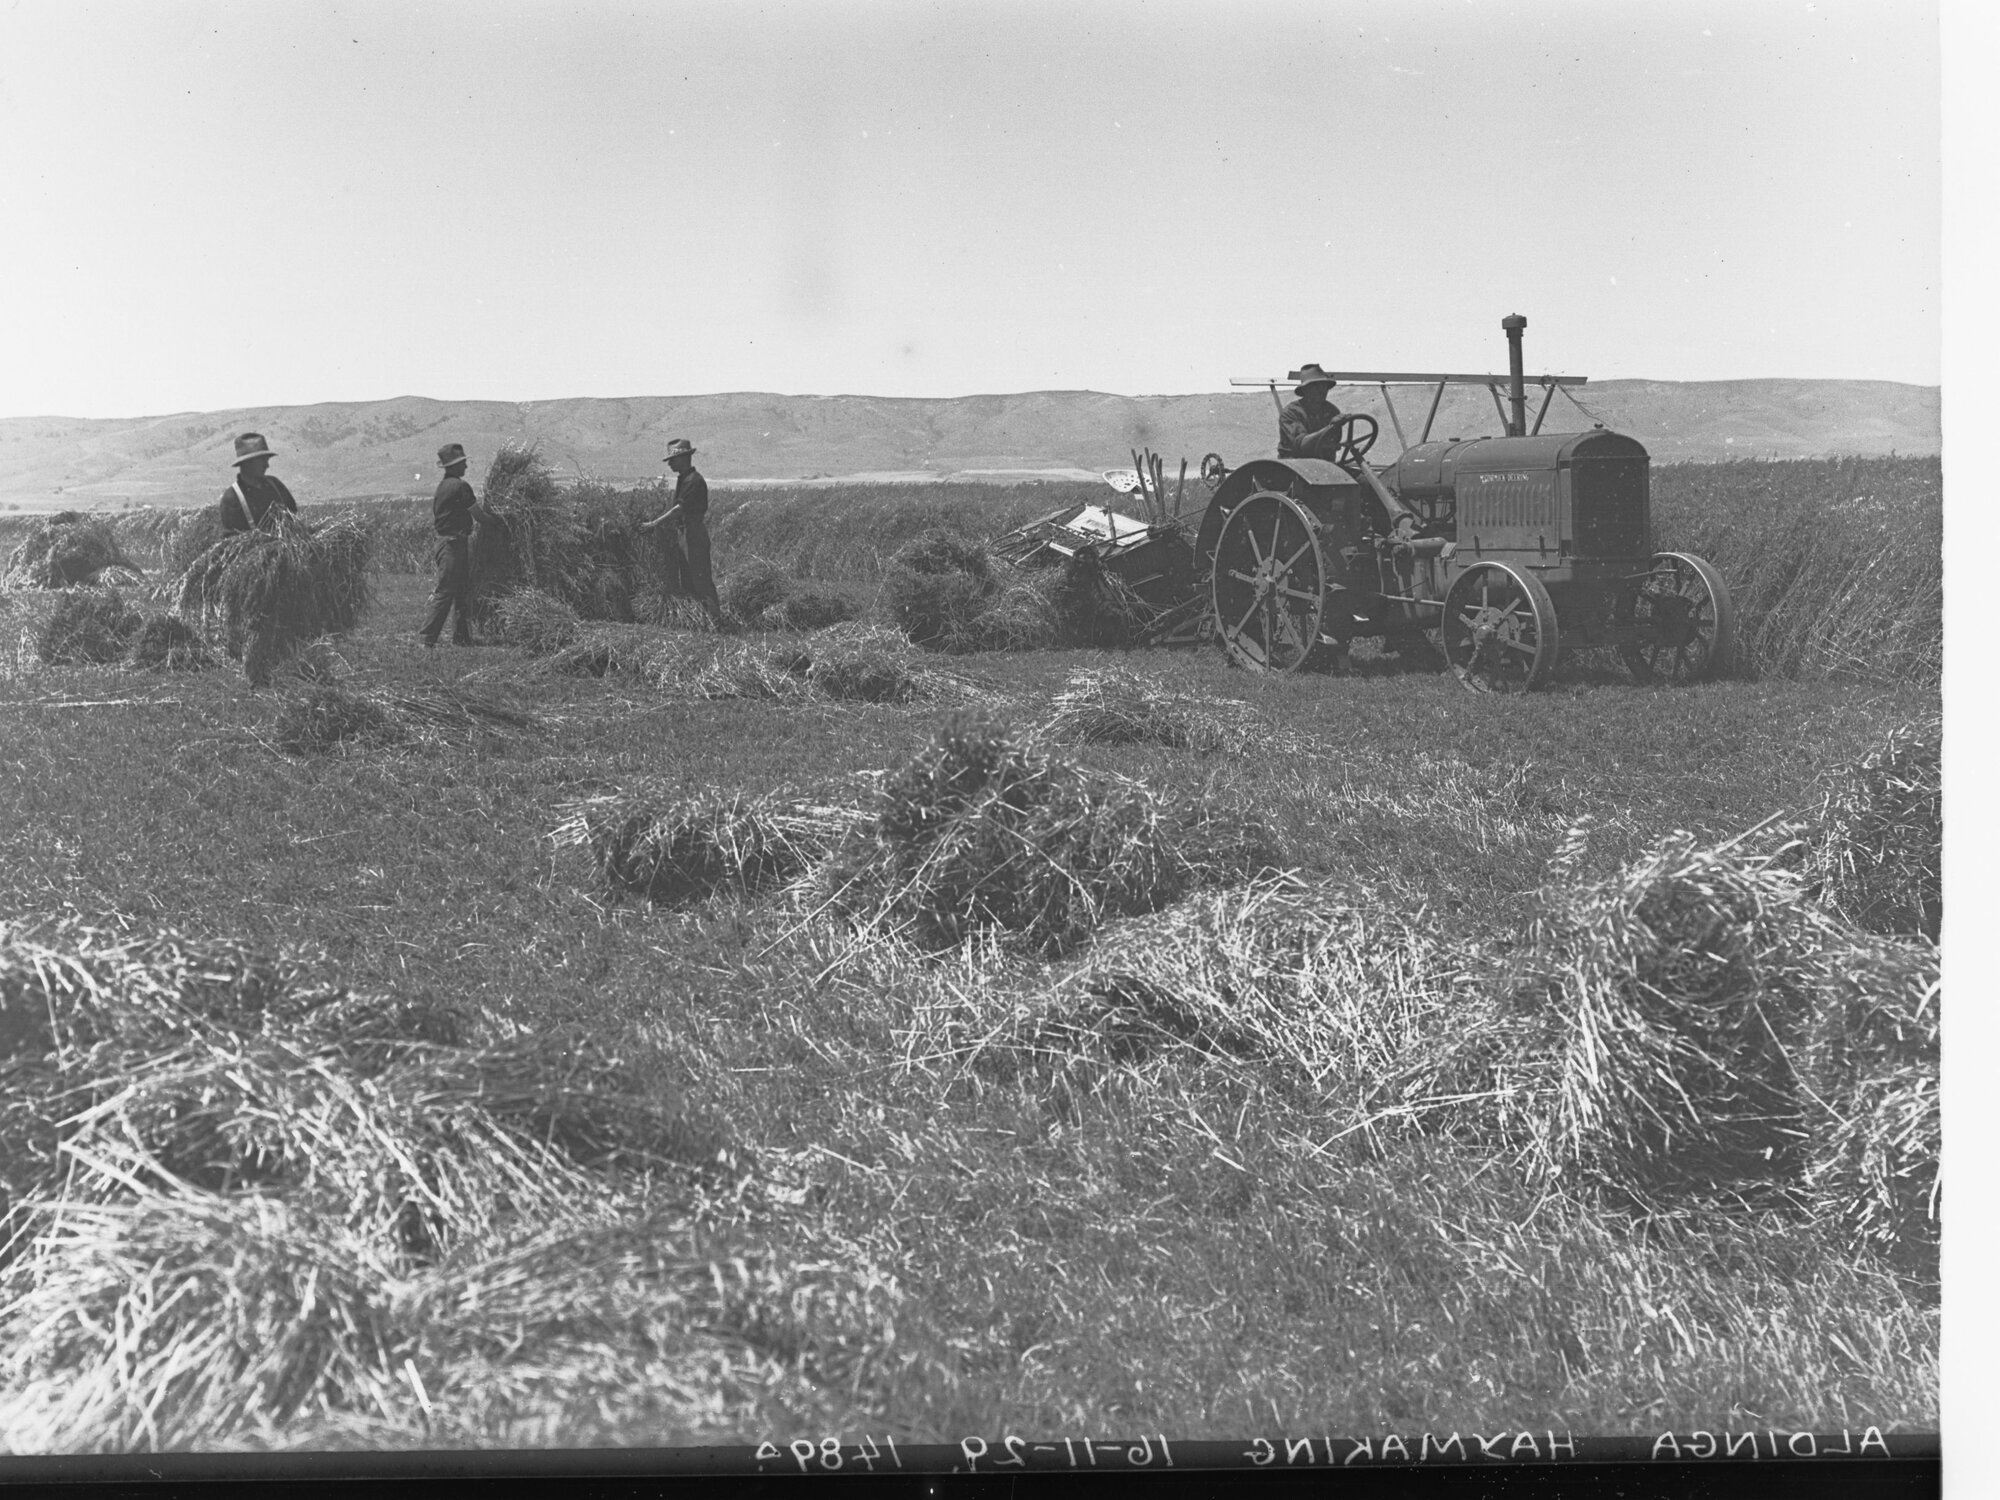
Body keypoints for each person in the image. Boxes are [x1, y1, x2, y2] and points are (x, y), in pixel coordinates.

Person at [638, 438, 728, 631]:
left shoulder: (694, 481)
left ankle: (716, 625)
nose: (670, 463)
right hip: (686, 533)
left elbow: (680, 509)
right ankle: (702, 624)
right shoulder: (685, 479)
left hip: (693, 533)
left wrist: (655, 523)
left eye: (673, 459)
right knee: (689, 579)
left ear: (685, 458)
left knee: (701, 580)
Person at [419, 442, 492, 648]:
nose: (466, 467)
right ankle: (427, 640)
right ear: (454, 466)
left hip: (448, 543)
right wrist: (496, 522)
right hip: (453, 545)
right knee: (446, 591)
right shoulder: (461, 487)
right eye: (463, 463)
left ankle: (462, 638)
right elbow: (477, 514)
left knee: (461, 590)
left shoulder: (442, 487)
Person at [219, 432, 300, 532]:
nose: (267, 465)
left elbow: (293, 516)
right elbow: (234, 540)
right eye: (262, 461)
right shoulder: (232, 499)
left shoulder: (275, 485)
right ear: (247, 463)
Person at [1277, 365, 1349, 461]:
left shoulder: (1332, 410)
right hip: (1296, 464)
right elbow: (1301, 444)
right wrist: (1330, 427)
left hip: (1324, 463)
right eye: (1316, 386)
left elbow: (1335, 442)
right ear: (1305, 390)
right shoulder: (1291, 413)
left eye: (1324, 386)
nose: (1322, 390)